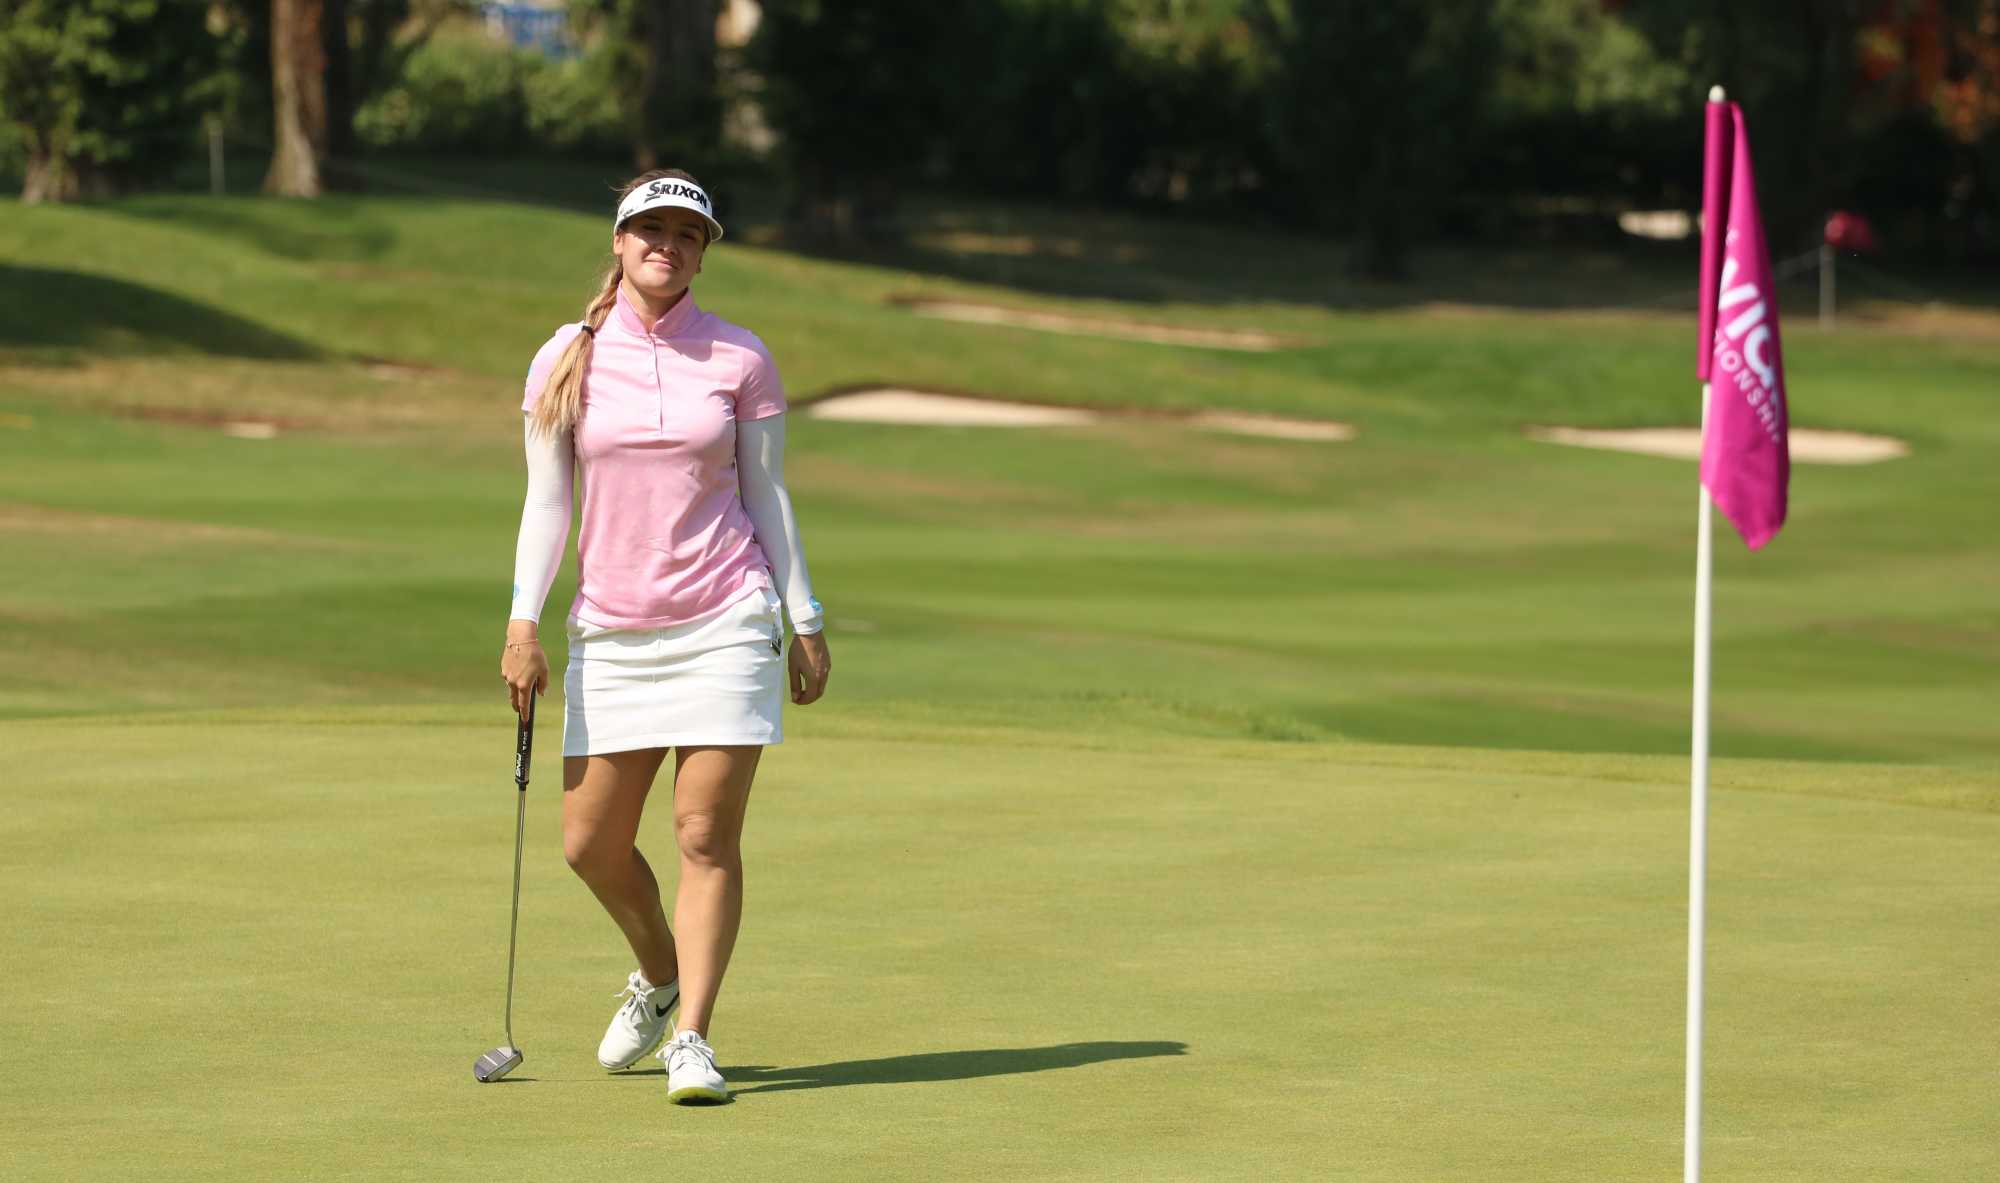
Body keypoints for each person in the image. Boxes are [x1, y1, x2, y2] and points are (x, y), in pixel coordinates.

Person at [500, 169, 830, 1104]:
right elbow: (547, 503)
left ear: (703, 250)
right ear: (618, 240)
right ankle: (659, 968)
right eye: (651, 229)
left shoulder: (738, 357)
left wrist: (803, 619)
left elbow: (768, 495)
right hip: (611, 628)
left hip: (728, 617)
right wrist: (523, 622)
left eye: (687, 234)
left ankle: (693, 1039)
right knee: (588, 841)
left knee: (702, 833)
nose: (667, 245)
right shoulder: (565, 357)